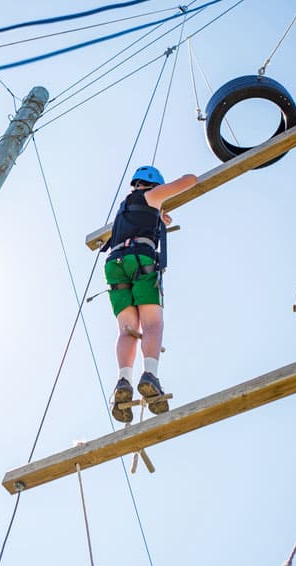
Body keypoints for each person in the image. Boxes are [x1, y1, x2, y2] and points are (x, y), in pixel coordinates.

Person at [102, 165, 198, 423]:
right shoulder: (150, 196)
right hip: (140, 260)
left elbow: (141, 220)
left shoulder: (124, 209)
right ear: (152, 184)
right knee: (153, 323)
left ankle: (123, 381)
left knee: (127, 330)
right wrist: (165, 195)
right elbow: (190, 180)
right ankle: (150, 375)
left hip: (115, 264)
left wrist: (159, 216)